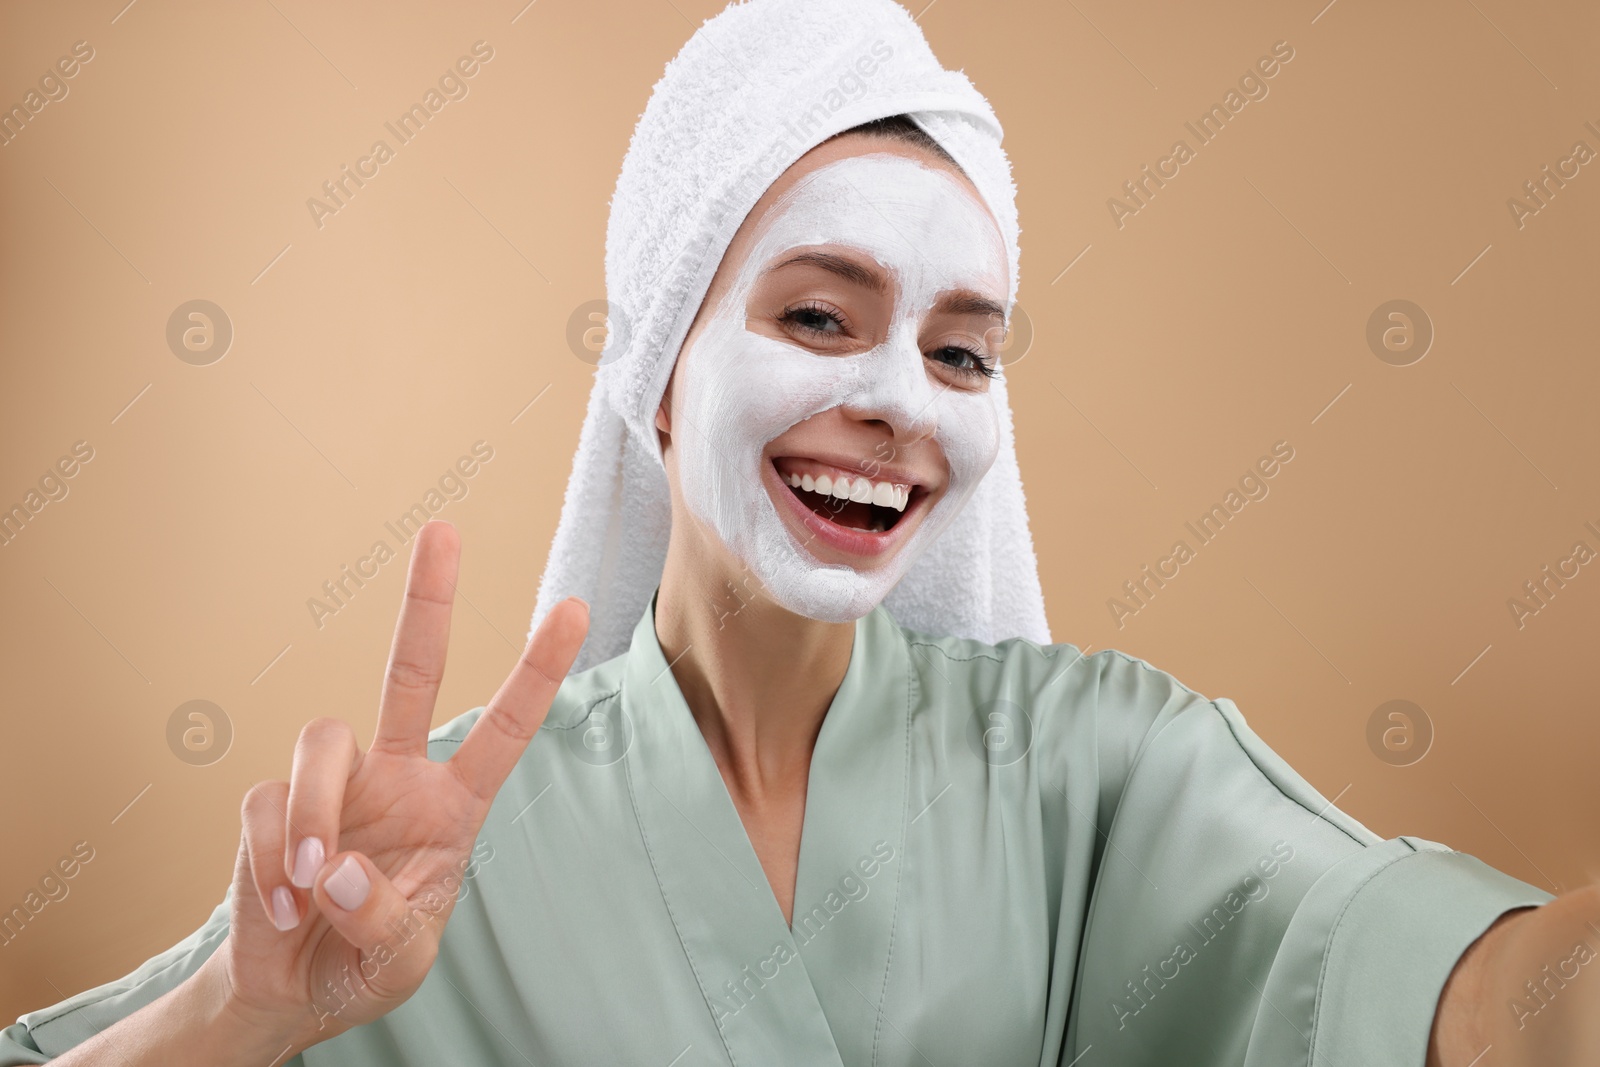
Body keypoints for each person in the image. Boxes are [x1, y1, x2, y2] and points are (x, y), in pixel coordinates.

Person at [6, 1, 1599, 1064]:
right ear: (657, 382)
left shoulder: (1094, 770)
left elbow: (1475, 987)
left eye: (963, 351)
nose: (903, 402)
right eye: (822, 315)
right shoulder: (435, 853)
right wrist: (241, 1007)